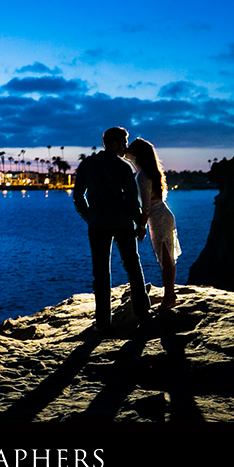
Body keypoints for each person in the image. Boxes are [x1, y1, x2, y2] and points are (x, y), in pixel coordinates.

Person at [73, 127, 151, 330]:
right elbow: (133, 201)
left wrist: (89, 217)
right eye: (124, 143)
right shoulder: (123, 167)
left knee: (100, 273)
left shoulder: (88, 164)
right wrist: (140, 224)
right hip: (122, 223)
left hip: (97, 225)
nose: (126, 147)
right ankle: (143, 313)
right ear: (115, 144)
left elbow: (78, 197)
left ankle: (102, 322)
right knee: (133, 266)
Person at [126, 138, 182, 311]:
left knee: (165, 259)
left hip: (158, 218)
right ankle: (170, 294)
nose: (126, 151)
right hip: (162, 215)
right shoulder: (149, 172)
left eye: (130, 149)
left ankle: (168, 298)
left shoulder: (143, 175)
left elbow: (147, 206)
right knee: (166, 258)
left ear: (137, 154)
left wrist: (141, 227)